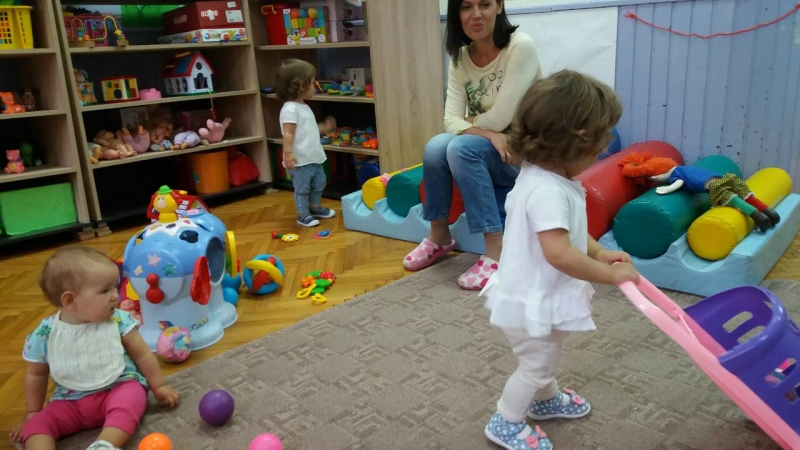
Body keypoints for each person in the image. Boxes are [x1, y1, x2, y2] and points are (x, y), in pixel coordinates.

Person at [480, 70, 640, 450]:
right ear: (574, 142)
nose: (602, 154)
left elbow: (568, 233)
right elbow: (559, 253)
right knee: (536, 364)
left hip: (536, 294)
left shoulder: (546, 177)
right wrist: (609, 275)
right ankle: (506, 421)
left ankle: (545, 398)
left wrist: (600, 252)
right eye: (597, 147)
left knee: (546, 355)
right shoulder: (547, 190)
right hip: (532, 298)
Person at [403, 0, 542, 290]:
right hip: (489, 147)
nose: (476, 14)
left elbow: (501, 117)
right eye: (466, 7)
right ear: (457, 14)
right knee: (435, 146)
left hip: (522, 156)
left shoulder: (520, 46)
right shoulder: (461, 57)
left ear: (499, 6)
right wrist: (488, 133)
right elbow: (449, 120)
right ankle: (439, 236)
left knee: (460, 147)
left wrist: (471, 123)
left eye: (485, 4)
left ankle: (496, 250)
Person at [9, 246, 180, 450]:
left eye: (115, 287)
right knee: (37, 425)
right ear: (70, 300)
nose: (115, 296)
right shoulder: (45, 334)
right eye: (105, 290)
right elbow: (36, 375)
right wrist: (33, 413)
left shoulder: (118, 320)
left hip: (117, 388)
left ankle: (104, 444)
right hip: (69, 402)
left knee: (133, 398)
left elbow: (142, 355)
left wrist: (158, 386)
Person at [276, 58, 338, 227]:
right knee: (303, 189)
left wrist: (323, 127)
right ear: (300, 86)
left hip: (313, 156)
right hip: (300, 160)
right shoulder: (290, 109)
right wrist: (288, 154)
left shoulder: (304, 106)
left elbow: (306, 128)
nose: (314, 86)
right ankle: (303, 215)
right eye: (312, 83)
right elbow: (288, 133)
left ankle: (314, 207)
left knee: (319, 183)